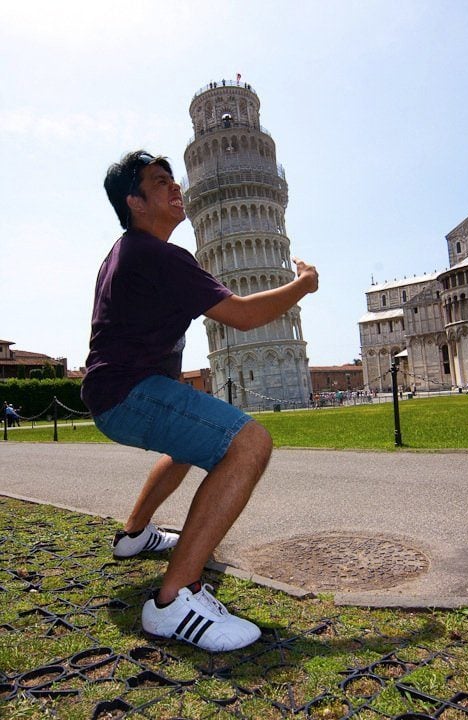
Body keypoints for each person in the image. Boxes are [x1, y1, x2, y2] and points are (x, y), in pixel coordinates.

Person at [81, 150, 318, 653]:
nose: (175, 189)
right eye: (160, 182)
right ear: (135, 202)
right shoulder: (158, 255)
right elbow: (244, 316)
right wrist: (302, 285)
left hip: (114, 392)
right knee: (249, 442)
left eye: (173, 180)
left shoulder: (123, 254)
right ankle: (174, 602)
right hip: (128, 393)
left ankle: (134, 536)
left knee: (189, 444)